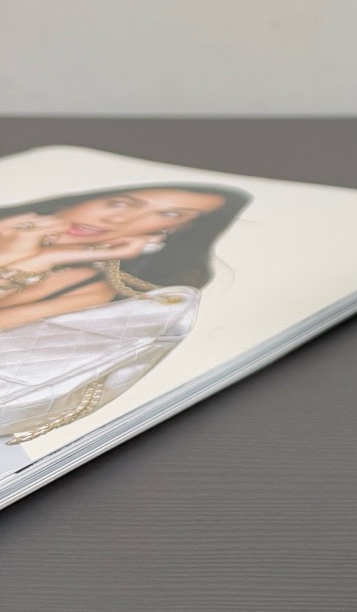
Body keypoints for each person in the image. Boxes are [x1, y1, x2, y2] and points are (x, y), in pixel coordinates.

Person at [0, 182, 250, 443]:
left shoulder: (87, 284)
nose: (117, 218)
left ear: (174, 231)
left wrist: (39, 258)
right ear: (82, 197)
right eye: (119, 203)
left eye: (169, 215)